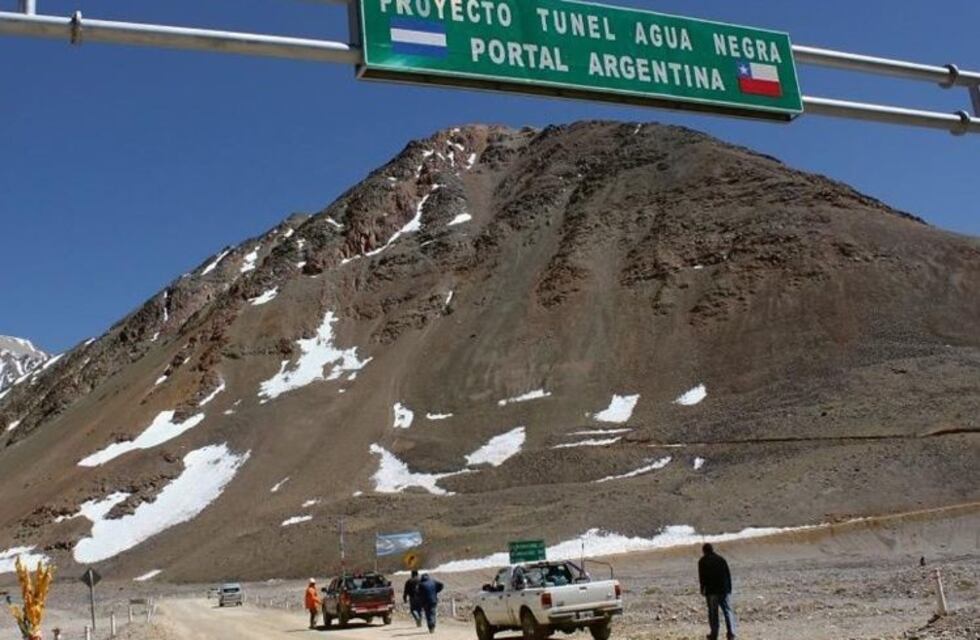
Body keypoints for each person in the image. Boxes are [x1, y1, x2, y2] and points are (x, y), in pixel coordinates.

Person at [698, 544, 736, 640]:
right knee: (727, 611)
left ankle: (714, 634)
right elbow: (728, 574)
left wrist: (702, 589)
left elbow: (702, 577)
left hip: (711, 591)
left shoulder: (702, 561)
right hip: (723, 589)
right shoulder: (721, 559)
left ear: (704, 551)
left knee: (713, 613)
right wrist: (729, 588)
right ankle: (731, 633)